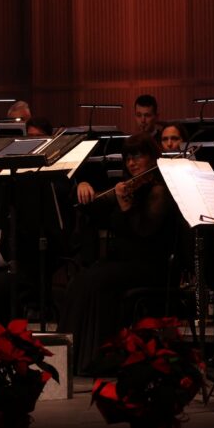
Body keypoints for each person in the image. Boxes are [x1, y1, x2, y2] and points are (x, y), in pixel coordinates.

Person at [62, 133, 179, 374]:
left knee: (94, 279)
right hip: (125, 264)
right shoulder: (128, 188)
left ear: (152, 158)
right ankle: (72, 358)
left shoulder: (159, 191)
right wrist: (82, 186)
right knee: (80, 281)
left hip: (150, 266)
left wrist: (126, 208)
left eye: (138, 156)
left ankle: (98, 355)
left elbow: (145, 233)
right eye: (127, 158)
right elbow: (93, 210)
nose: (132, 163)